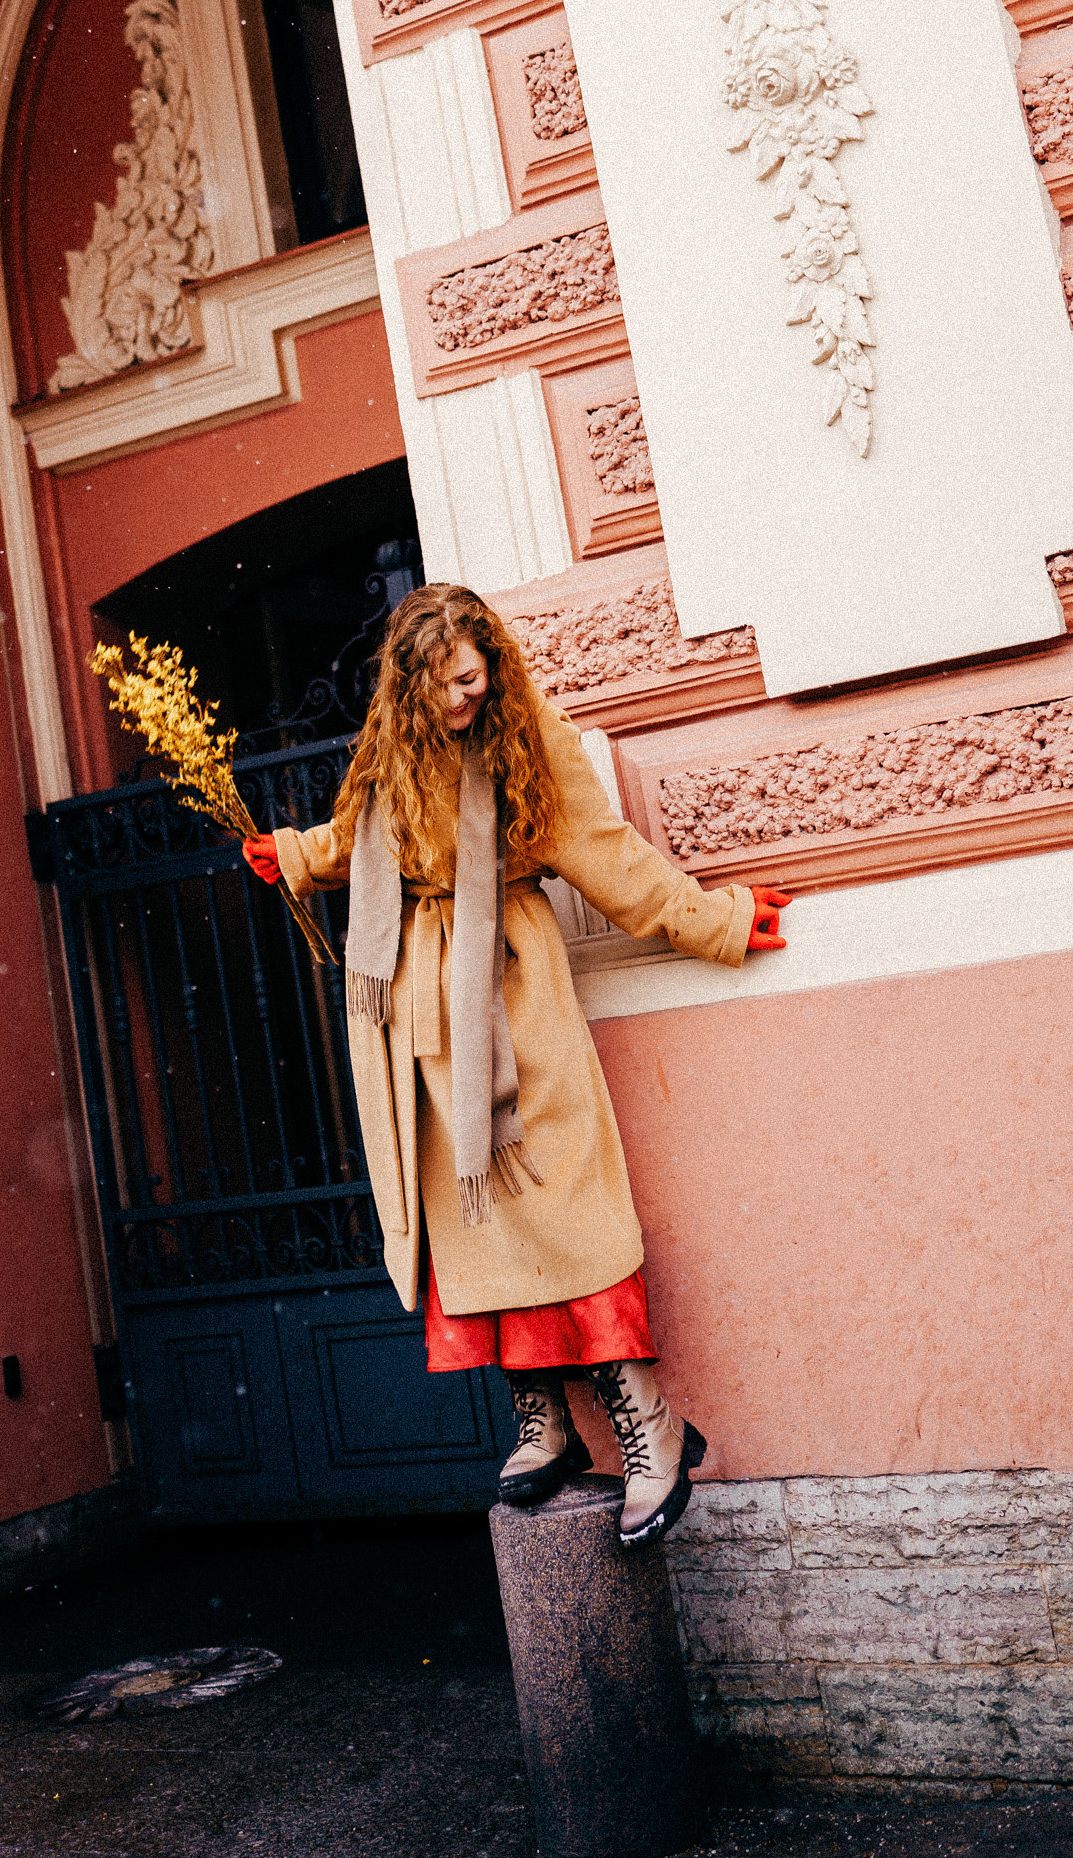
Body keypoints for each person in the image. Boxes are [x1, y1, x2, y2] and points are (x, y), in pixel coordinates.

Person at [243, 580, 789, 1542]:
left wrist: (718, 920)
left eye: (475, 675)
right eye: (446, 684)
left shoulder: (531, 740)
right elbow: (368, 840)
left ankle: (652, 1426)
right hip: (422, 1021)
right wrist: (296, 854)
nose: (466, 695)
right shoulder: (392, 751)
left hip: (513, 1001)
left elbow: (609, 856)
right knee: (474, 1226)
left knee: (564, 1208)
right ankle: (545, 1422)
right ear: (410, 685)